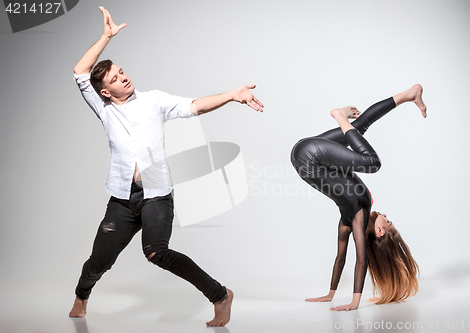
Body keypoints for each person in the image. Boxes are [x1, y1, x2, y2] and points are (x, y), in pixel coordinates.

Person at [69, 7, 263, 327]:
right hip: (121, 197)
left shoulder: (153, 100)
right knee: (99, 262)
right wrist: (106, 36)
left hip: (156, 192)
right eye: (115, 78)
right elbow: (79, 71)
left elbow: (195, 106)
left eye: (122, 70)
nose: (123, 76)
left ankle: (220, 296)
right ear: (105, 91)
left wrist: (231, 95)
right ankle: (82, 294)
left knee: (157, 252)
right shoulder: (103, 109)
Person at [290, 85, 425, 311]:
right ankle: (409, 95)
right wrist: (330, 294)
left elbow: (358, 260)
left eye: (387, 222)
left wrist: (354, 301)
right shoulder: (348, 221)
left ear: (380, 232)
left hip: (310, 156)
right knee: (359, 127)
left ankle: (340, 116)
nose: (385, 216)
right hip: (307, 155)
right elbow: (340, 257)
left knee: (373, 163)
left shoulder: (357, 218)